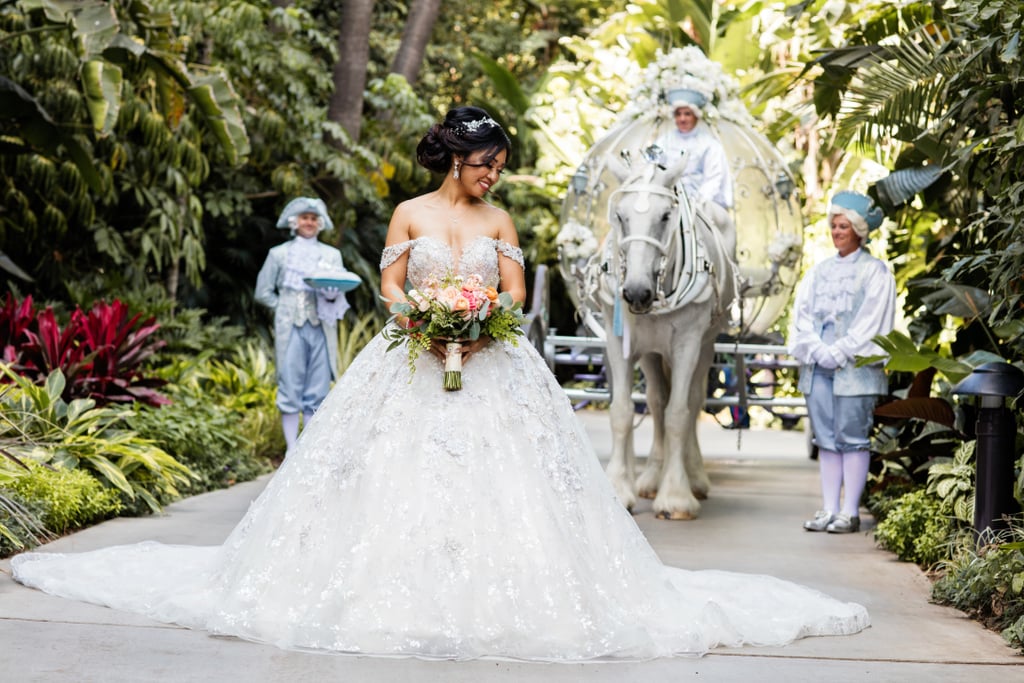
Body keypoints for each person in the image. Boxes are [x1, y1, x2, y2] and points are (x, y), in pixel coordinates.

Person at [11, 107, 869, 661]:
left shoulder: (500, 220)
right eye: (487, 163)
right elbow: (387, 286)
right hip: (410, 354)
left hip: (490, 359)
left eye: (500, 165)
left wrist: (477, 314)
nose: (495, 176)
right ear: (457, 159)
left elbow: (515, 293)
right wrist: (422, 312)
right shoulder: (411, 215)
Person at [789, 191, 896, 534]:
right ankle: (828, 508)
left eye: (844, 226)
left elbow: (872, 320)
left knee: (852, 437)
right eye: (834, 225)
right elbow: (802, 314)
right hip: (819, 367)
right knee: (826, 438)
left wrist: (842, 350)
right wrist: (818, 349)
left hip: (856, 370)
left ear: (859, 231)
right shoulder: (819, 272)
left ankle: (849, 511)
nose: (836, 232)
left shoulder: (876, 272)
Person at [254, 197, 350, 455]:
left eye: (313, 218)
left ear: (319, 224)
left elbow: (339, 290)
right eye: (305, 217)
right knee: (289, 380)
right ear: (294, 222)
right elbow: (263, 291)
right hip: (291, 327)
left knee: (318, 384)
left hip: (320, 325)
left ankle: (305, 449)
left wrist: (331, 295)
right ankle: (290, 447)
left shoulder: (332, 255)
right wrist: (283, 306)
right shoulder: (279, 254)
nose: (309, 222)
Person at [654, 89, 735, 253]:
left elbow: (713, 178)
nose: (682, 119)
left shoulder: (709, 144)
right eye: (678, 114)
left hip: (699, 203)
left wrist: (695, 204)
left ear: (696, 116)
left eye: (687, 114)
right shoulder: (663, 141)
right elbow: (655, 169)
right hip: (669, 200)